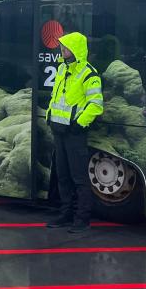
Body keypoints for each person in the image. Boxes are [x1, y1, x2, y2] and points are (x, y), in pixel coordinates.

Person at [45, 32, 103, 233]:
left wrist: (79, 124)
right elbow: (56, 96)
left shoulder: (89, 74)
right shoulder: (62, 68)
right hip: (59, 130)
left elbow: (96, 105)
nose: (62, 49)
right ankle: (66, 214)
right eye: (61, 46)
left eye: (66, 46)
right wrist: (49, 116)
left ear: (76, 49)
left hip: (74, 134)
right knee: (63, 176)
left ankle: (82, 218)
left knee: (79, 177)